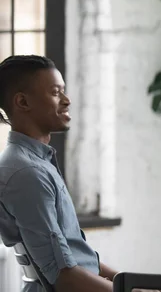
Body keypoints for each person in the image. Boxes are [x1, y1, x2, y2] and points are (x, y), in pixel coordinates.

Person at [0, 55, 118, 292]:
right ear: (22, 102)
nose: (67, 100)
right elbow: (65, 278)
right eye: (55, 93)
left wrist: (132, 283)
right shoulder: (27, 173)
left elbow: (79, 260)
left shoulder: (36, 163)